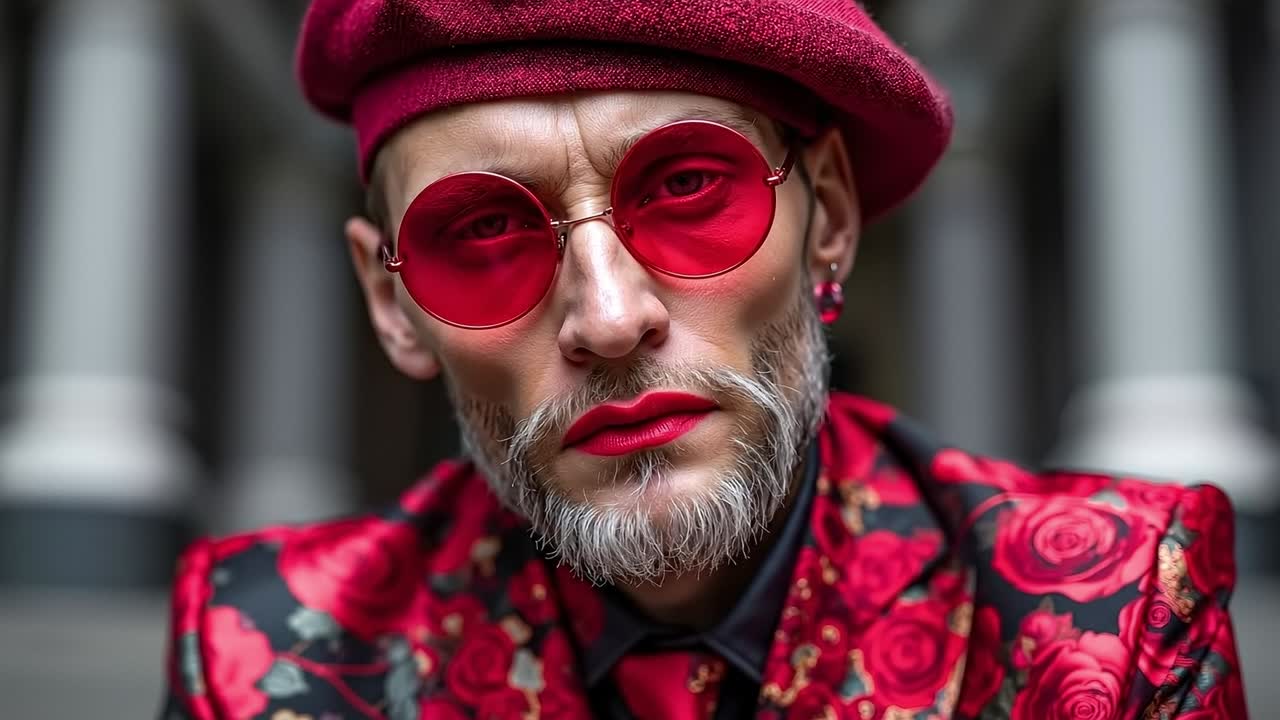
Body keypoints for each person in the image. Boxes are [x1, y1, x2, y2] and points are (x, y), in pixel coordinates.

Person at [158, 1, 1248, 718]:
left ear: (827, 214)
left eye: (686, 187)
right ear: (392, 304)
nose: (608, 317)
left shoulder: (1111, 616)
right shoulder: (262, 658)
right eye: (484, 232)